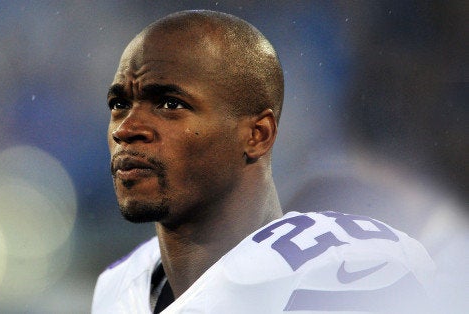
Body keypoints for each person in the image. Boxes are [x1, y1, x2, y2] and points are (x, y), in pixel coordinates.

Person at [92, 10, 435, 313]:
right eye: (119, 104)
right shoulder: (119, 287)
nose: (126, 129)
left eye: (169, 104)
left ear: (257, 135)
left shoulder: (341, 267)